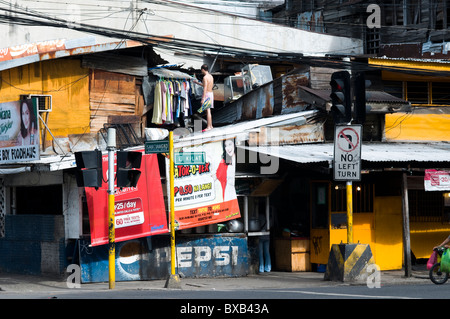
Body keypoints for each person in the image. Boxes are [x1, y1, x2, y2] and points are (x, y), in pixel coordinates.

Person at [194, 64, 214, 132]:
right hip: (211, 94)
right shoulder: (210, 76)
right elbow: (204, 85)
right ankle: (210, 125)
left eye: (201, 70)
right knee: (209, 111)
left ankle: (208, 126)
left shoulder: (205, 77)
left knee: (207, 111)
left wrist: (203, 99)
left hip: (207, 94)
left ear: (202, 69)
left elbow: (205, 88)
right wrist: (197, 82)